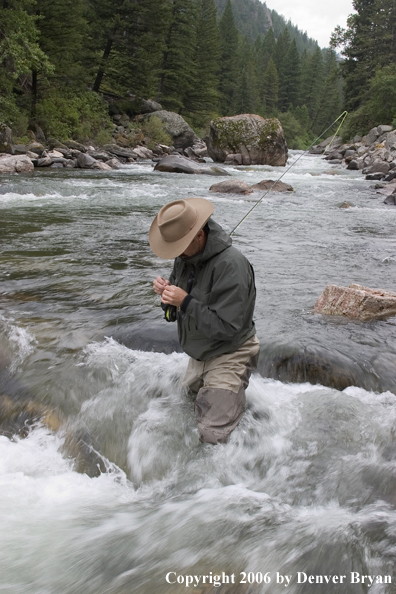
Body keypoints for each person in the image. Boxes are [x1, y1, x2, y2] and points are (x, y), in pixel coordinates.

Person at [149, 197, 260, 444]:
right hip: (200, 354)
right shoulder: (184, 258)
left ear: (199, 235)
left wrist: (185, 301)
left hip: (231, 352)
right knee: (184, 406)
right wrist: (167, 298)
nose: (175, 253)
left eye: (179, 245)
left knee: (213, 435)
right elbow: (173, 315)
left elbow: (229, 329)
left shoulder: (232, 266)